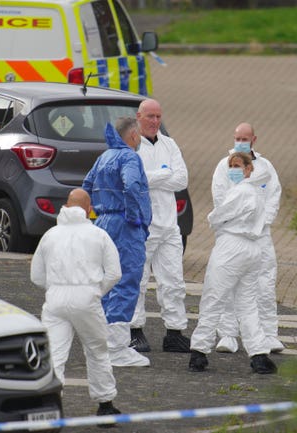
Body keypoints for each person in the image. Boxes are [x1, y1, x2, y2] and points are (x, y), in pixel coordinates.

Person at [30, 188, 123, 420]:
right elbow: (114, 273)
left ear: (66, 206)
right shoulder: (98, 234)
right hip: (87, 297)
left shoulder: (50, 234)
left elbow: (36, 276)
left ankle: (49, 407)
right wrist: (95, 291)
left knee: (53, 354)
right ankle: (105, 405)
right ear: (88, 209)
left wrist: (54, 288)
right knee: (97, 351)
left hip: (55, 300)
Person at [189, 152, 277, 374]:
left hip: (231, 247)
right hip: (252, 248)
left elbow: (218, 216)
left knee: (213, 298)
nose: (233, 169)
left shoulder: (240, 191)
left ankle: (199, 352)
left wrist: (213, 219)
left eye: (237, 165)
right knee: (247, 303)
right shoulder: (257, 193)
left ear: (249, 169)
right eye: (231, 165)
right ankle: (258, 354)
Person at [82, 117, 152, 367]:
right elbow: (132, 185)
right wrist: (135, 217)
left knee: (106, 279)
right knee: (126, 280)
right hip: (124, 225)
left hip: (103, 222)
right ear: (133, 135)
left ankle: (102, 342)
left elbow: (86, 186)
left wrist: (93, 215)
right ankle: (118, 347)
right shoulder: (130, 157)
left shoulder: (104, 156)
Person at [211, 122, 284, 354]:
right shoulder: (224, 167)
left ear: (254, 139)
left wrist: (262, 222)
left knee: (264, 283)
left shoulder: (266, 166)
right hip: (232, 236)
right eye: (237, 137)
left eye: (245, 138)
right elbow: (220, 200)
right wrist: (234, 226)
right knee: (227, 283)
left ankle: (269, 335)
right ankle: (228, 335)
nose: (240, 142)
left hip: (260, 236)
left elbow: (273, 196)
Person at [129, 98, 191, 353]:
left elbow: (182, 179)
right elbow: (134, 180)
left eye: (158, 117)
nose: (155, 122)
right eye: (150, 117)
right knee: (138, 280)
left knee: (174, 281)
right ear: (139, 117)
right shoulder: (132, 146)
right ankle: (135, 331)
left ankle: (174, 332)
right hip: (141, 225)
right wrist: (165, 173)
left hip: (168, 226)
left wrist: (152, 178)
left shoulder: (169, 144)